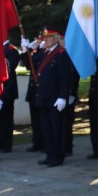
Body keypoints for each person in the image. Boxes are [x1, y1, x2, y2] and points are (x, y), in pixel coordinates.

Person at [33, 28, 72, 167]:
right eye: (45, 37)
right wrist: (31, 49)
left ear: (56, 39)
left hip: (55, 99)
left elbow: (65, 78)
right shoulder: (44, 53)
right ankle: (50, 155)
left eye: (49, 37)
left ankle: (58, 157)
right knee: (46, 129)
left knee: (57, 129)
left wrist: (63, 96)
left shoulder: (61, 54)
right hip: (43, 97)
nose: (45, 40)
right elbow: (30, 63)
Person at [0, 39, 20, 153]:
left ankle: (6, 144)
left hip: (8, 89)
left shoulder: (12, 51)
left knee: (6, 118)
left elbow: (9, 67)